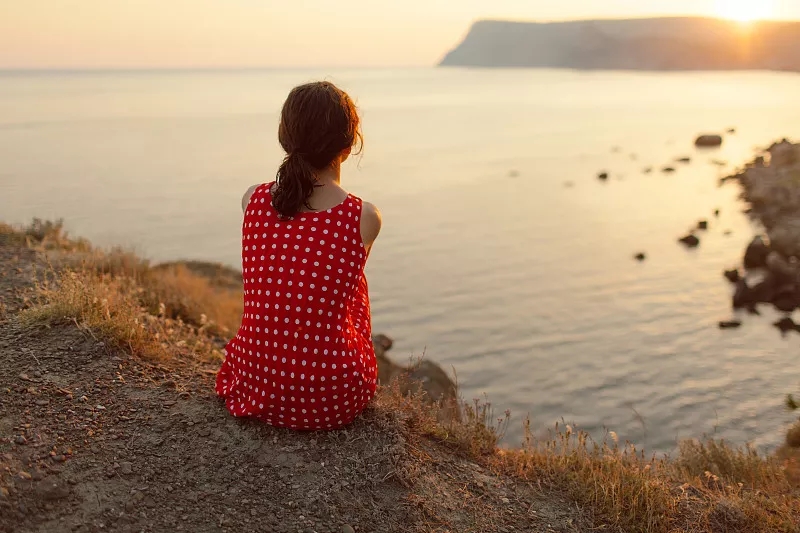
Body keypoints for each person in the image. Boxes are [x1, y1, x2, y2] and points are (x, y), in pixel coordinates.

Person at [215, 81, 382, 430]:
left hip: (255, 381)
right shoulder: (363, 217)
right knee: (353, 284)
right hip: (330, 396)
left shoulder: (253, 201)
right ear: (349, 144)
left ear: (285, 137)